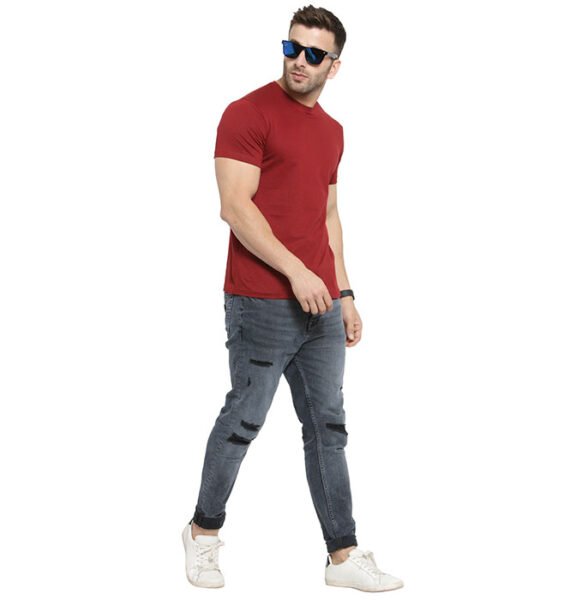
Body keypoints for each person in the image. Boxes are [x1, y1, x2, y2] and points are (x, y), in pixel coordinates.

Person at [182, 4, 403, 593]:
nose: (298, 61)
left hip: (322, 304)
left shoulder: (332, 131)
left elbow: (328, 215)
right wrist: (298, 273)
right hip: (260, 301)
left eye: (312, 53)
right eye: (291, 47)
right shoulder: (246, 113)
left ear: (335, 65)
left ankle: (342, 554)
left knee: (328, 427)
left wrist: (344, 291)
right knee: (243, 420)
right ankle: (203, 533)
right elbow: (235, 207)